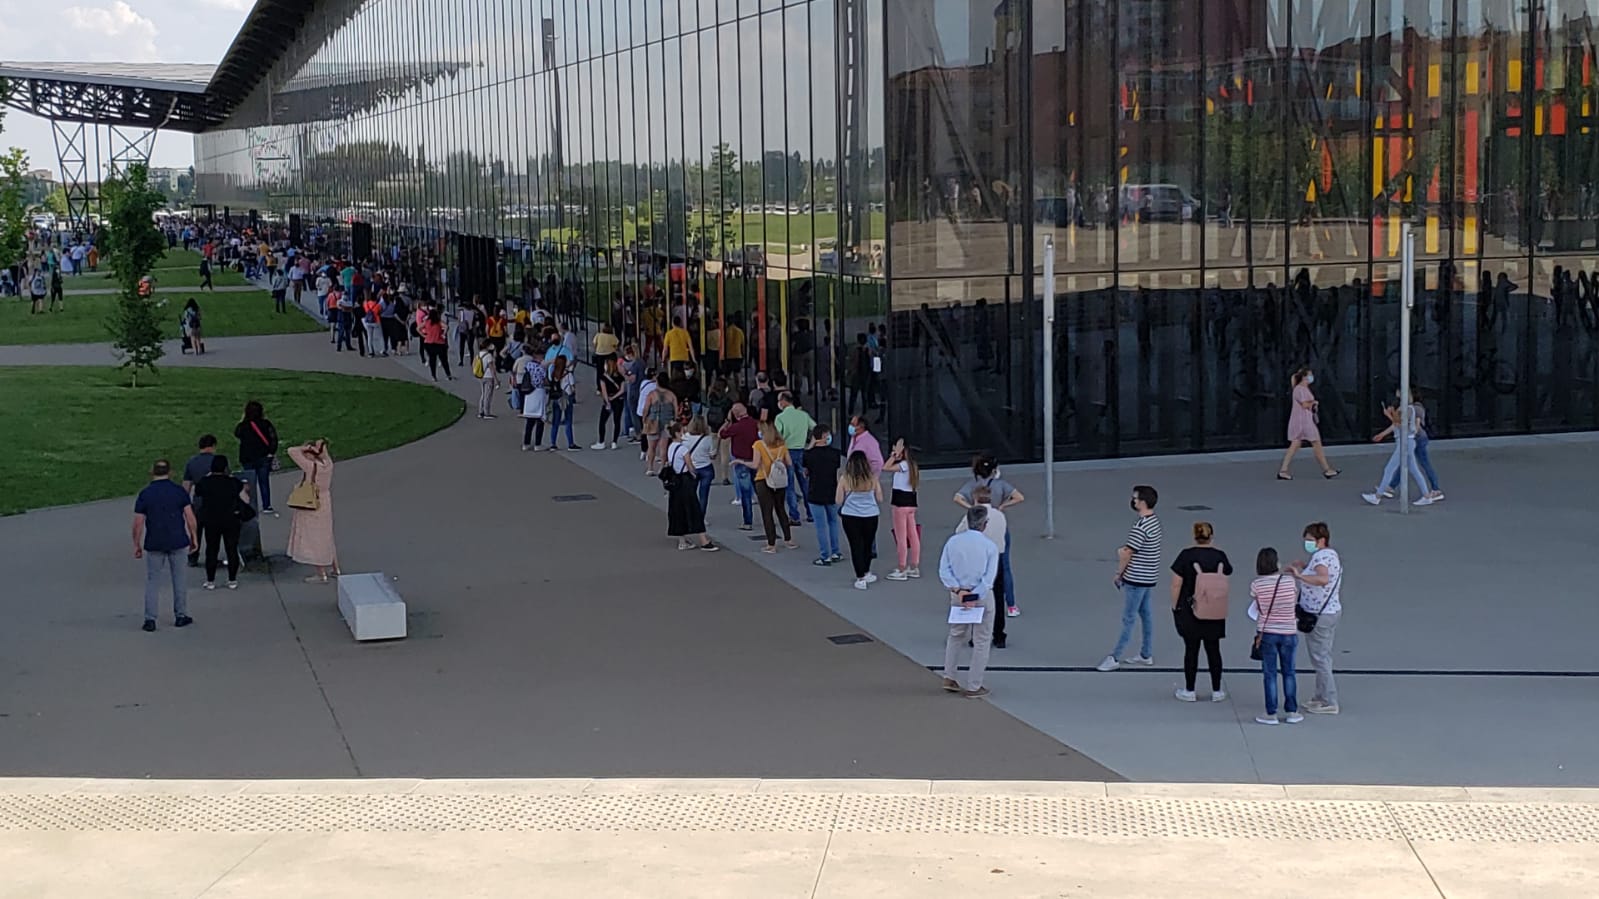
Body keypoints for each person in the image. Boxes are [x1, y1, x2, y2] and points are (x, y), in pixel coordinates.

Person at [1097, 485, 1163, 671]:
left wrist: (1119, 573)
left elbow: (1127, 552)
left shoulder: (1140, 526)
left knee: (1129, 618)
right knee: (1146, 614)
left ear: (1142, 502)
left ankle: (1115, 656)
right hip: (1149, 576)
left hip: (1136, 578)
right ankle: (1146, 653)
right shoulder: (1154, 522)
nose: (1133, 501)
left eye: (1135, 498)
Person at [939, 505, 1001, 699]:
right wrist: (973, 595)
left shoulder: (952, 542)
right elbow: (988, 579)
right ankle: (974, 685)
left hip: (957, 594)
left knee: (956, 634)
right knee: (982, 639)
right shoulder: (990, 547)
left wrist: (959, 590)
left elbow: (944, 570)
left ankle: (949, 675)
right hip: (980, 596)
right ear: (984, 524)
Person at [954, 453, 1025, 616]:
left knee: (978, 565)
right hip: (998, 526)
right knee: (1004, 566)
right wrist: (1003, 505)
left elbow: (957, 497)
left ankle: (976, 599)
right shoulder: (1001, 485)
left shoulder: (973, 484)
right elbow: (1019, 497)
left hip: (978, 526)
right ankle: (1011, 605)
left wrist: (971, 509)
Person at [1169, 521, 1233, 702]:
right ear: (1211, 536)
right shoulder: (1220, 556)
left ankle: (1189, 689)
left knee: (1191, 650)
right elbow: (1227, 572)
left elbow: (1176, 584)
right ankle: (1217, 690)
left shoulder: (1186, 556)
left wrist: (1175, 606)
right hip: (1215, 608)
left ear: (1194, 536)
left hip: (1191, 609)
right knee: (1214, 649)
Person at [132, 459, 198, 632]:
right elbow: (190, 518)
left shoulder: (145, 494)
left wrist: (136, 544)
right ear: (170, 472)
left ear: (152, 471)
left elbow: (138, 523)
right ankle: (181, 615)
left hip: (154, 542)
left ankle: (150, 619)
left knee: (153, 581)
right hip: (178, 540)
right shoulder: (178, 492)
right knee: (179, 579)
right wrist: (194, 537)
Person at [1288, 522, 1342, 714]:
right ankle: (1320, 697)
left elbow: (1323, 579)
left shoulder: (1321, 557)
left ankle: (1329, 700)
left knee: (1321, 659)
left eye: (1310, 540)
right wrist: (1305, 567)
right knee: (1321, 656)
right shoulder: (1329, 555)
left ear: (1321, 540)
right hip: (1327, 612)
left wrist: (1299, 576)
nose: (1307, 544)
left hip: (1320, 615)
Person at [1249, 547, 1303, 725]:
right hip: (1289, 631)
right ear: (1276, 563)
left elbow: (1258, 607)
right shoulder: (1288, 582)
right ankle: (1291, 711)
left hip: (1267, 632)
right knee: (1289, 672)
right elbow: (1294, 601)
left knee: (1270, 673)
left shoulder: (1256, 585)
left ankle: (1271, 713)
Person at [955, 486, 1010, 648]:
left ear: (975, 499)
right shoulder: (999, 516)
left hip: (978, 559)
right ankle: (999, 635)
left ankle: (976, 634)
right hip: (997, 558)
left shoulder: (971, 516)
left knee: (976, 595)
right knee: (998, 596)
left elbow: (959, 533)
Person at [1361, 394, 1433, 506]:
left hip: (1405, 443)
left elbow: (1399, 424)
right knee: (1414, 470)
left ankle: (1377, 496)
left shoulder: (1408, 410)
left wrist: (1388, 415)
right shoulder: (1407, 409)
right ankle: (1426, 495)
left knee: (1389, 468)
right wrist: (1382, 434)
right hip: (1406, 442)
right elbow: (1397, 424)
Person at [287, 439, 338, 583]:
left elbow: (291, 451)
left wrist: (305, 448)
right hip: (325, 500)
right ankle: (336, 568)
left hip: (311, 502)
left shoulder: (310, 467)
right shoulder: (328, 464)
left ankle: (321, 574)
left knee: (314, 537)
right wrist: (319, 450)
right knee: (326, 534)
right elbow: (325, 455)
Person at [663, 423, 720, 552]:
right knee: (694, 509)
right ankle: (703, 540)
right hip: (685, 481)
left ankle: (682, 541)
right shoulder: (683, 449)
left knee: (678, 510)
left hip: (675, 481)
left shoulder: (671, 447)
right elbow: (690, 466)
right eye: (682, 432)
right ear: (677, 434)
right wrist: (694, 474)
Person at [193, 455, 247, 590]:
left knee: (211, 549)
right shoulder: (233, 482)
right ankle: (232, 580)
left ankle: (210, 580)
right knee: (231, 548)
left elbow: (197, 491)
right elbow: (243, 496)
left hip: (211, 519)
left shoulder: (205, 482)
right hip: (230, 519)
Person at [1277, 367, 1340, 480]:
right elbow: (1304, 404)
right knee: (1316, 443)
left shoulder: (1302, 389)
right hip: (1303, 421)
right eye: (1310, 375)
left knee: (1296, 444)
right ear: (1305, 377)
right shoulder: (1300, 389)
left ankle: (1283, 470)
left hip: (1302, 420)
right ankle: (1327, 469)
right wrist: (1314, 402)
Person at [837, 450, 882, 589]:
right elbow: (880, 498)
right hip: (870, 515)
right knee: (867, 544)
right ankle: (867, 571)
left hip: (850, 516)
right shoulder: (872, 478)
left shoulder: (845, 479)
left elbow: (838, 500)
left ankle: (860, 577)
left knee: (855, 546)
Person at [749, 421, 796, 553]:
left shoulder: (758, 445)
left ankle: (771, 544)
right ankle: (788, 540)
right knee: (781, 509)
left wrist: (740, 461)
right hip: (779, 481)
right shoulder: (782, 446)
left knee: (767, 512)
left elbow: (755, 464)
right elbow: (789, 463)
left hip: (763, 480)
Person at [802, 424, 843, 566]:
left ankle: (825, 555)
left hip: (815, 492)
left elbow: (805, 468)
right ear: (825, 436)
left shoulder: (809, 455)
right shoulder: (835, 454)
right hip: (831, 491)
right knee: (833, 522)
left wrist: (811, 445)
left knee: (821, 526)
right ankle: (836, 551)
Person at [774, 391, 816, 525]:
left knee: (790, 486)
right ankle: (811, 513)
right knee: (805, 484)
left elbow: (777, 436)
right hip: (802, 451)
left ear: (784, 402)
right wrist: (810, 445)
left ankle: (795, 516)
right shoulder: (803, 415)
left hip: (787, 452)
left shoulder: (780, 418)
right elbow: (817, 429)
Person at [234, 401, 280, 517]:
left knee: (250, 482)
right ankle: (266, 505)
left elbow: (237, 433)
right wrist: (271, 452)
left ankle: (251, 504)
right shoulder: (266, 424)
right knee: (264, 481)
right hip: (263, 456)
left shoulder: (243, 426)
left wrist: (243, 419)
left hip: (247, 457)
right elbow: (273, 438)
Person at [884, 438, 921, 581]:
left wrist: (894, 455)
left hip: (900, 504)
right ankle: (914, 566)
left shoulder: (903, 465)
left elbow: (885, 467)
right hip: (911, 503)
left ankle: (901, 567)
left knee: (901, 537)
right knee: (912, 534)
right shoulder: (912, 466)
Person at [719, 402, 760, 531]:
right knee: (761, 490)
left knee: (745, 493)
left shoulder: (736, 427)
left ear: (735, 414)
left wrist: (727, 421)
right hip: (755, 460)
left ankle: (748, 522)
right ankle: (768, 517)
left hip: (740, 461)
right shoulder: (755, 424)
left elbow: (722, 434)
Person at [181, 434, 220, 567]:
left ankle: (193, 556)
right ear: (213, 446)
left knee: (195, 531)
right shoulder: (218, 461)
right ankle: (212, 557)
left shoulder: (191, 462)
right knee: (213, 532)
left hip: (198, 501)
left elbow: (186, 485)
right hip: (215, 501)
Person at [545, 355, 579, 450]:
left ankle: (553, 444)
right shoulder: (568, 374)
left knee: (555, 421)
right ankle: (571, 444)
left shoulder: (553, 373)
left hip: (555, 398)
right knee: (568, 421)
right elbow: (572, 389)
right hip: (566, 398)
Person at [592, 357, 626, 450]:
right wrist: (615, 397)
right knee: (617, 421)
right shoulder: (620, 377)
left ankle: (601, 441)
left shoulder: (603, 377)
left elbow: (604, 391)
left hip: (609, 400)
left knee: (602, 421)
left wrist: (608, 401)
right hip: (619, 400)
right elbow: (622, 390)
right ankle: (614, 442)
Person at [686, 416, 717, 513]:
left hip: (691, 467)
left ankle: (691, 515)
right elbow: (712, 454)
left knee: (691, 494)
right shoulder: (708, 438)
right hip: (706, 467)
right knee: (704, 495)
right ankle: (701, 517)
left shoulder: (685, 437)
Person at [421, 307, 453, 380]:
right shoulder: (438, 322)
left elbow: (418, 328)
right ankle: (448, 375)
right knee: (444, 360)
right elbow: (446, 327)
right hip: (439, 343)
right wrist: (443, 334)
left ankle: (434, 376)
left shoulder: (427, 322)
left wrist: (423, 335)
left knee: (432, 360)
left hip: (429, 342)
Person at [474, 342, 499, 420]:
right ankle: (486, 413)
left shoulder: (478, 355)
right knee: (488, 395)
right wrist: (496, 380)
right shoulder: (488, 356)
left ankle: (481, 411)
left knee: (483, 394)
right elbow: (492, 369)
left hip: (481, 376)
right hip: (488, 376)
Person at [592, 323, 620, 390]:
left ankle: (599, 388)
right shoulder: (612, 337)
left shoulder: (598, 335)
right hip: (609, 355)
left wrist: (596, 350)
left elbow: (594, 344)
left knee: (599, 371)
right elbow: (616, 346)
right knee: (610, 371)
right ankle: (610, 386)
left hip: (599, 354)